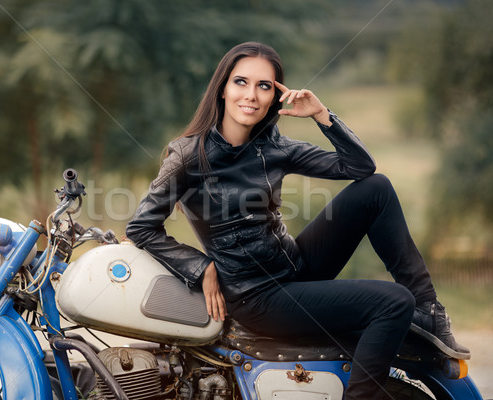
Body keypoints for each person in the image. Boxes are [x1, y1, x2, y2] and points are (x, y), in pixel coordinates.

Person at [126, 42, 469, 399]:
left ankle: (429, 309)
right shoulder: (188, 155)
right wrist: (202, 267)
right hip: (259, 297)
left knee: (376, 189)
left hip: (296, 266)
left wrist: (322, 114)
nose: (252, 95)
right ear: (223, 88)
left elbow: (360, 168)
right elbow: (141, 227)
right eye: (241, 82)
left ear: (275, 97)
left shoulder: (272, 145)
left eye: (264, 86)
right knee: (394, 302)